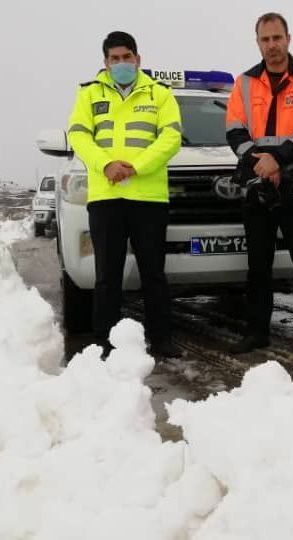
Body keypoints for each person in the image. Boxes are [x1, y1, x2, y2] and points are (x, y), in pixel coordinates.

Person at [67, 31, 183, 358]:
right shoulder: (88, 94)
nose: (121, 63)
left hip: (149, 199)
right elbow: (79, 135)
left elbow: (171, 138)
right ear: (105, 62)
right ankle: (105, 343)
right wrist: (106, 165)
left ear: (138, 59)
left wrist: (134, 166)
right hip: (106, 197)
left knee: (154, 274)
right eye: (114, 59)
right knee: (107, 276)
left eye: (126, 57)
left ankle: (161, 340)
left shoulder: (159, 93)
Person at [224, 12, 293, 355]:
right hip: (259, 185)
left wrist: (277, 159)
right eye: (265, 39)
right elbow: (234, 130)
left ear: (288, 38)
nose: (272, 45)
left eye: (277, 38)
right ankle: (257, 332)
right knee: (258, 265)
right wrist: (260, 162)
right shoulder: (242, 83)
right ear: (258, 43)